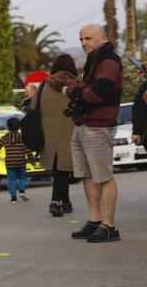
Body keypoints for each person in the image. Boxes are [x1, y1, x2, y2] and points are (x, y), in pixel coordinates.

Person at [67, 24, 123, 242]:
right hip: (84, 124)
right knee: (88, 174)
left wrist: (72, 90)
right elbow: (88, 91)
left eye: (88, 38)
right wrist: (79, 91)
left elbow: (97, 94)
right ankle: (95, 220)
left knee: (104, 176)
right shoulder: (94, 60)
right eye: (81, 39)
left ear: (102, 38)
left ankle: (109, 226)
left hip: (99, 126)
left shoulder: (109, 61)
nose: (84, 43)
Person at [35, 54, 76, 216]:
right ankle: (55, 201)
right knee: (63, 168)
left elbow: (33, 106)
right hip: (70, 132)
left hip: (48, 134)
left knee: (59, 169)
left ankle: (65, 202)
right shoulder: (75, 85)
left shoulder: (44, 85)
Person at [0, 117, 30, 203]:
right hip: (21, 162)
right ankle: (22, 190)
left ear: (8, 127)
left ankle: (13, 198)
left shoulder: (4, 138)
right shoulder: (22, 138)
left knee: (11, 180)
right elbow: (27, 149)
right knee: (23, 178)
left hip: (10, 163)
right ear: (19, 127)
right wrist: (32, 159)